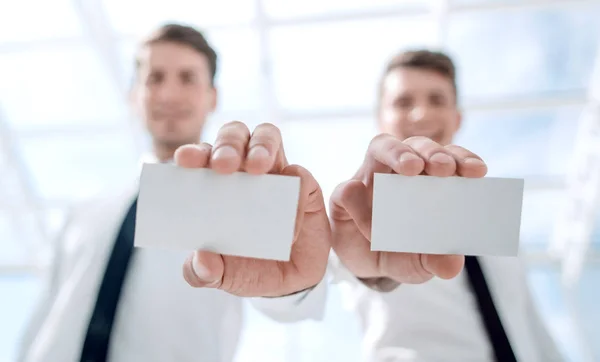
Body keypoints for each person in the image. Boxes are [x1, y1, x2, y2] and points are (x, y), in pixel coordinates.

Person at [180, 50, 564, 362]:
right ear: (381, 117)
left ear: (458, 117)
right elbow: (321, 274)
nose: (421, 114)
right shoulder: (355, 209)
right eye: (403, 101)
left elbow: (532, 333)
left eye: (437, 100)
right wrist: (289, 278)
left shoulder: (495, 227)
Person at [15, 23, 317, 362]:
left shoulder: (235, 205)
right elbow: (45, 317)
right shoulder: (83, 212)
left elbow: (287, 299)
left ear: (212, 97)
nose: (169, 94)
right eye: (155, 78)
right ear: (133, 95)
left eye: (187, 78)